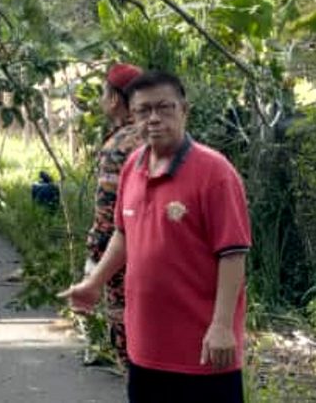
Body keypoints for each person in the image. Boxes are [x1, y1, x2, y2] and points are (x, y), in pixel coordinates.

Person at [60, 70, 252, 403]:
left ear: (184, 110)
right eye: (143, 110)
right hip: (145, 346)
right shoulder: (133, 165)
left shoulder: (215, 173)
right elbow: (123, 234)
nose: (154, 119)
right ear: (131, 116)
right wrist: (94, 283)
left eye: (164, 108)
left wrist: (222, 326)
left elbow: (233, 253)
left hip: (203, 350)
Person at [83, 62, 143, 367]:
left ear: (115, 99)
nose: (100, 99)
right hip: (163, 256)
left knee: (129, 340)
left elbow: (108, 214)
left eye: (103, 92)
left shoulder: (119, 145)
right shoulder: (161, 138)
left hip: (123, 260)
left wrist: (94, 257)